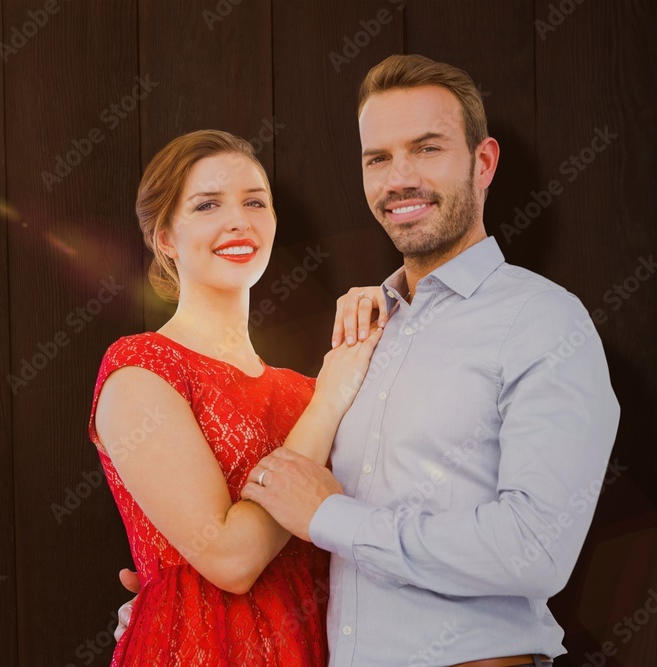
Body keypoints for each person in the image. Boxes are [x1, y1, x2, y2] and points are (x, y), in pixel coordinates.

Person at [240, 55, 620, 667]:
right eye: (378, 158)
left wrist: (331, 516)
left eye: (428, 148)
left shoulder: (544, 322)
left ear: (484, 162)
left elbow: (535, 550)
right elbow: (314, 533)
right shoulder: (363, 331)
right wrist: (183, 588)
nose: (399, 178)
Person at [88, 129, 385, 666]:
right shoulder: (140, 368)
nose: (238, 221)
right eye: (207, 205)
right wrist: (332, 398)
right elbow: (230, 560)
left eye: (255, 202)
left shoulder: (307, 391)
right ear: (166, 239)